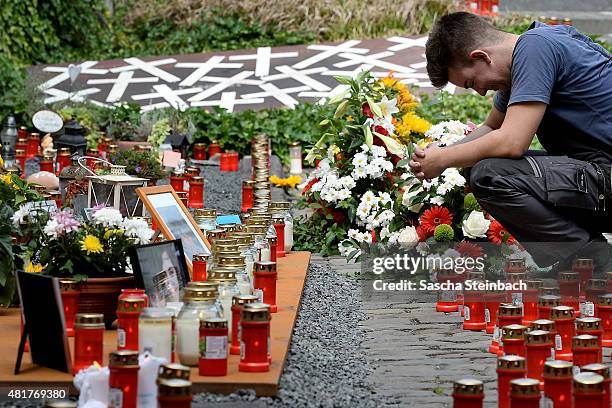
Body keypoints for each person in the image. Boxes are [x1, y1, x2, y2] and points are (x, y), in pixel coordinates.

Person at [409, 12, 612, 270]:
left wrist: (445, 160)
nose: (480, 91)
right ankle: (585, 255)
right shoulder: (531, 52)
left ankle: (593, 261)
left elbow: (512, 142)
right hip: (600, 175)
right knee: (479, 165)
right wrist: (439, 155)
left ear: (481, 57)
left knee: (490, 174)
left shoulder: (535, 49)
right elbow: (492, 126)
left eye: (472, 82)